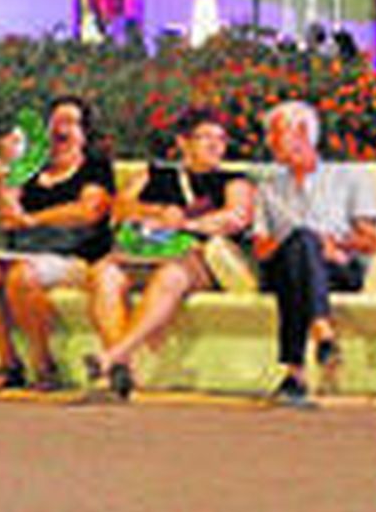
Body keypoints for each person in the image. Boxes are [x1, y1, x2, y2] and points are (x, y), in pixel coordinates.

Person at [85, 106, 255, 400]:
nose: (215, 145)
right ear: (183, 142)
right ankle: (121, 367)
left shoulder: (233, 180)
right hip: (144, 252)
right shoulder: (154, 174)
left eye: (221, 139)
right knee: (104, 273)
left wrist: (185, 224)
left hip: (195, 259)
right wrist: (158, 212)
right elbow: (120, 208)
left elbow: (236, 217)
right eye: (205, 137)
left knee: (172, 275)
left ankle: (113, 356)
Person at [0, 96, 114, 391]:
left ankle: (43, 364)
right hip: (21, 252)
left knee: (22, 276)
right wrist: (9, 166)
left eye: (70, 122)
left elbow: (89, 211)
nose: (60, 130)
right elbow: (6, 215)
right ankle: (8, 362)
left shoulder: (94, 168)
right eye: (54, 123)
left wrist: (33, 220)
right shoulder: (30, 168)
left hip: (73, 256)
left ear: (84, 133)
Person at [253, 100, 376, 405]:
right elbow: (261, 248)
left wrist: (335, 245)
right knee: (300, 245)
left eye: (275, 133)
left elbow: (371, 242)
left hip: (339, 268)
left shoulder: (349, 177)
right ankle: (321, 327)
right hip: (283, 267)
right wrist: (303, 243)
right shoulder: (268, 188)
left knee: (302, 255)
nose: (269, 141)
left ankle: (294, 374)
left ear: (301, 132)